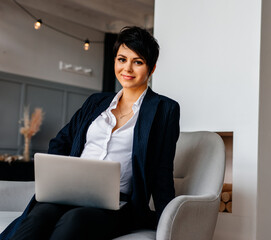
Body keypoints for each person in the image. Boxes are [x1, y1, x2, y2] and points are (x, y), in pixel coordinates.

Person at [1, 26, 180, 240]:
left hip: (118, 203)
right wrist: (57, 180)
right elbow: (60, 141)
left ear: (151, 69)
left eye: (138, 62)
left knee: (75, 220)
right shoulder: (96, 102)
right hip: (69, 193)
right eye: (122, 59)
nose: (127, 68)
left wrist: (169, 223)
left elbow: (162, 171)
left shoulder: (164, 109)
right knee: (39, 217)